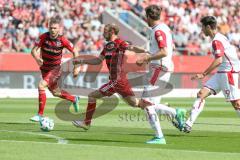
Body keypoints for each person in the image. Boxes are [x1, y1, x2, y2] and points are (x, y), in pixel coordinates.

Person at [72, 24, 186, 144]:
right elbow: (98, 60)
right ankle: (174, 112)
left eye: (105, 31)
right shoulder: (107, 46)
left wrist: (145, 51)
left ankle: (86, 122)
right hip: (120, 81)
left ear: (112, 31)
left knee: (92, 95)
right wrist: (82, 60)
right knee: (138, 104)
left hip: (117, 81)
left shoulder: (119, 43)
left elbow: (132, 48)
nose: (103, 33)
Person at [181, 16, 240, 133]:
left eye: (202, 27)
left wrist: (203, 74)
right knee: (201, 94)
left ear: (208, 27)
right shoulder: (220, 37)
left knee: (236, 104)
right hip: (222, 72)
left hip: (228, 72)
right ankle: (188, 123)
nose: (202, 30)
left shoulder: (216, 41)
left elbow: (218, 60)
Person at [136, 5, 184, 127]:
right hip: (161, 67)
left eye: (145, 17)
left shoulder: (158, 31)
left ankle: (174, 113)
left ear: (148, 16)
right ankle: (173, 112)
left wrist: (148, 57)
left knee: (146, 103)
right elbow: (171, 46)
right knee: (148, 104)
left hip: (159, 69)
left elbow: (164, 51)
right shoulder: (164, 28)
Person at [30, 16, 80, 122]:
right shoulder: (43, 37)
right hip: (45, 69)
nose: (53, 30)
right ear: (48, 28)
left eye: (55, 28)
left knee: (41, 85)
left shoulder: (62, 40)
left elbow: (75, 51)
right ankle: (74, 99)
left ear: (59, 28)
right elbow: (33, 50)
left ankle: (40, 115)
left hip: (56, 69)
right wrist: (37, 59)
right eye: (51, 28)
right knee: (55, 92)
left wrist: (76, 67)